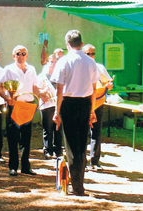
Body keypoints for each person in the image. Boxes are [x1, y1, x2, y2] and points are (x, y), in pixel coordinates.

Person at [51, 30, 99, 196]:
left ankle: (77, 186)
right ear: (81, 43)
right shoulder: (91, 62)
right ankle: (80, 181)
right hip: (85, 103)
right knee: (81, 143)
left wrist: (57, 111)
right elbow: (94, 90)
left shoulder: (64, 61)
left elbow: (59, 90)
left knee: (71, 144)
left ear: (67, 44)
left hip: (69, 103)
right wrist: (92, 110)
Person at [0, 45, 48, 176]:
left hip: (28, 105)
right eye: (18, 54)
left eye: (23, 53)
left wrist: (37, 101)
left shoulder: (31, 69)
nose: (21, 56)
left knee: (26, 137)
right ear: (13, 56)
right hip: (15, 105)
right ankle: (13, 167)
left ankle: (26, 166)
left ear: (27, 55)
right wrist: (7, 98)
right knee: (13, 137)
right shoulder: (9, 69)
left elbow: (35, 87)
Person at [82, 44, 113, 171]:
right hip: (84, 102)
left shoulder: (100, 67)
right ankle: (81, 161)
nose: (90, 56)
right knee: (82, 132)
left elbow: (108, 83)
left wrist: (110, 85)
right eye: (87, 54)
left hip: (98, 102)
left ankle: (94, 161)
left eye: (92, 53)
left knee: (96, 132)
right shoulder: (80, 68)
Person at [37, 54, 63, 159]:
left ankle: (58, 150)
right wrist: (42, 93)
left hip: (58, 105)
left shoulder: (60, 75)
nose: (53, 64)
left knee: (58, 128)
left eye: (55, 62)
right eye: (51, 62)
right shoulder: (42, 76)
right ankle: (48, 149)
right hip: (46, 105)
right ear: (48, 63)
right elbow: (36, 89)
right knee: (47, 128)